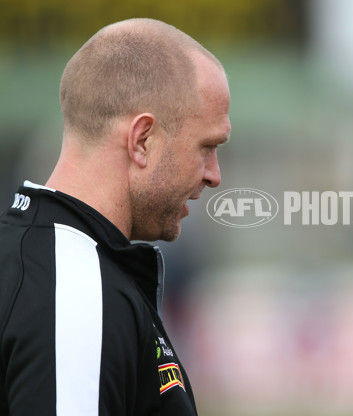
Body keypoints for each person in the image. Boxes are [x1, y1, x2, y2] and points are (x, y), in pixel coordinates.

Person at [0, 18, 231, 415]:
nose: (214, 174)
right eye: (206, 146)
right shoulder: (74, 287)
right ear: (142, 140)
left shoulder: (35, 257)